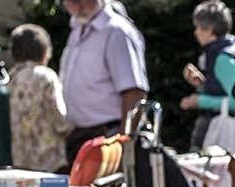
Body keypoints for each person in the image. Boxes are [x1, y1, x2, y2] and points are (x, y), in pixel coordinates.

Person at [59, 0, 149, 165]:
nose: (78, 5)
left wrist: (123, 145)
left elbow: (134, 92)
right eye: (71, 1)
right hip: (81, 136)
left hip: (108, 135)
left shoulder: (116, 31)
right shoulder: (77, 29)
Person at [180, 1, 235, 150]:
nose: (196, 32)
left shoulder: (223, 59)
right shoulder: (227, 50)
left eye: (198, 27)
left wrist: (200, 101)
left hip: (220, 131)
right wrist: (202, 84)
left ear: (209, 29)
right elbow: (225, 89)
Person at [8, 24, 70, 173]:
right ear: (45, 51)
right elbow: (60, 120)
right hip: (48, 162)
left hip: (18, 161)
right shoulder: (46, 76)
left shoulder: (9, 78)